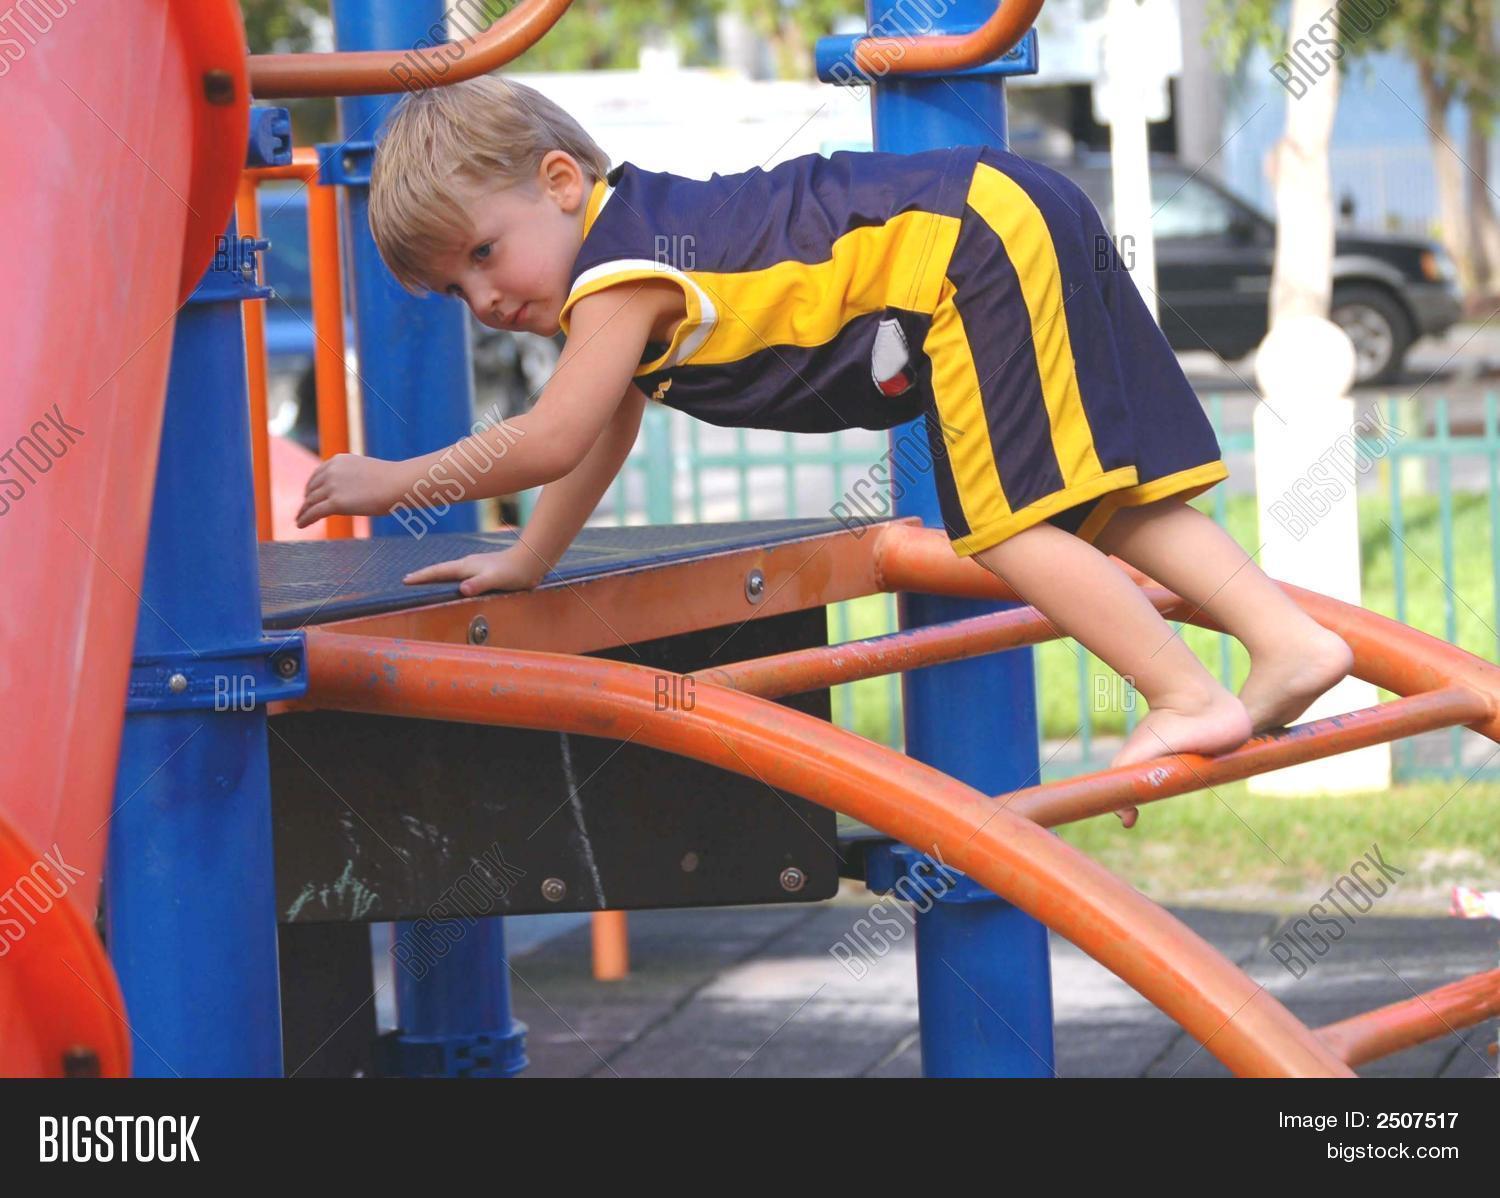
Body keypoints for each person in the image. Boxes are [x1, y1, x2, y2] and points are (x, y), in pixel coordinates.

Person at [295, 75, 1353, 801]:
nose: (483, 296)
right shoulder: (624, 273)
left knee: (1002, 528)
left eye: (484, 252)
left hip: (960, 252)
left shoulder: (619, 270)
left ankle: (1183, 692)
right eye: (453, 287)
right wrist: (529, 559)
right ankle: (1290, 641)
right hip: (1007, 209)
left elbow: (551, 437)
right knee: (1113, 508)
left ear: (561, 183)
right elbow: (602, 433)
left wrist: (392, 479)